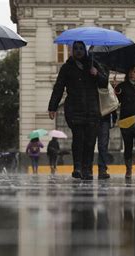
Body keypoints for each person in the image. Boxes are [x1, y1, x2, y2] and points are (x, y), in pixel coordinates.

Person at [48, 41, 108, 180]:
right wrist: (53, 107)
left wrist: (96, 74)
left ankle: (88, 169)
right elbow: (58, 87)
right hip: (74, 109)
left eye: (81, 48)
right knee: (78, 139)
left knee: (90, 141)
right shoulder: (67, 68)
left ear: (85, 51)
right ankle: (78, 167)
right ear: (72, 51)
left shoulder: (93, 65)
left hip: (92, 109)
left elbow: (104, 82)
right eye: (76, 49)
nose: (79, 51)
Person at [97, 110, 117, 179]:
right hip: (92, 116)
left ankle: (102, 168)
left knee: (103, 144)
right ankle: (87, 168)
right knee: (90, 143)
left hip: (103, 117)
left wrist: (114, 118)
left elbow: (112, 102)